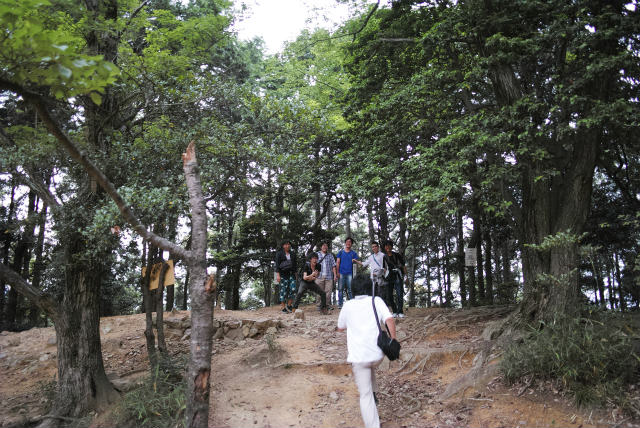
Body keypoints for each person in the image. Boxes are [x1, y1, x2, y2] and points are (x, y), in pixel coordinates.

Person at [336, 274, 396, 428]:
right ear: (370, 288)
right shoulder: (376, 301)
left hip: (359, 358)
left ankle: (373, 420)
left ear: (353, 289)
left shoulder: (348, 305)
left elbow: (340, 327)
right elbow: (389, 319)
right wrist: (393, 339)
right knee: (370, 365)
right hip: (378, 355)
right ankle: (374, 392)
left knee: (365, 395)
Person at [383, 240, 408, 318]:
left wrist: (406, 277)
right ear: (384, 247)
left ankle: (400, 311)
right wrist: (384, 275)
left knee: (399, 294)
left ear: (392, 246)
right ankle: (394, 311)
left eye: (389, 245)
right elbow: (384, 268)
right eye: (386, 246)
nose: (387, 247)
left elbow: (403, 266)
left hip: (397, 275)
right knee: (389, 295)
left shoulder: (397, 255)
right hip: (389, 277)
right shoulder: (384, 257)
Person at [275, 239, 298, 313]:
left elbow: (295, 265)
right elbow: (277, 265)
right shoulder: (279, 254)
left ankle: (289, 305)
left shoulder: (293, 254)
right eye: (286, 244)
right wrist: (277, 275)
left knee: (293, 289)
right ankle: (283, 307)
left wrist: (296, 275)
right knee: (283, 291)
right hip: (282, 275)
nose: (287, 246)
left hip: (292, 274)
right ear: (283, 246)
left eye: (288, 244)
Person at [335, 237, 359, 308]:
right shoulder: (341, 252)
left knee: (350, 289)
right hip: (341, 273)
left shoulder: (353, 253)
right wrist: (337, 272)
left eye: (350, 242)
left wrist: (355, 274)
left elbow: (355, 264)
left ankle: (352, 304)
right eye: (347, 241)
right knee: (340, 289)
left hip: (350, 274)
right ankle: (340, 304)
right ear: (345, 243)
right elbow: (338, 262)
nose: (348, 243)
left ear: (351, 244)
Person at [316, 241, 337, 309]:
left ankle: (327, 305)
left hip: (329, 276)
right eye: (323, 245)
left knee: (328, 292)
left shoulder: (330, 255)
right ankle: (319, 305)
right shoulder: (317, 254)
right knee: (319, 291)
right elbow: (313, 264)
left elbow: (333, 266)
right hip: (319, 276)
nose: (325, 247)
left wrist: (335, 275)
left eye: (326, 245)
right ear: (321, 247)